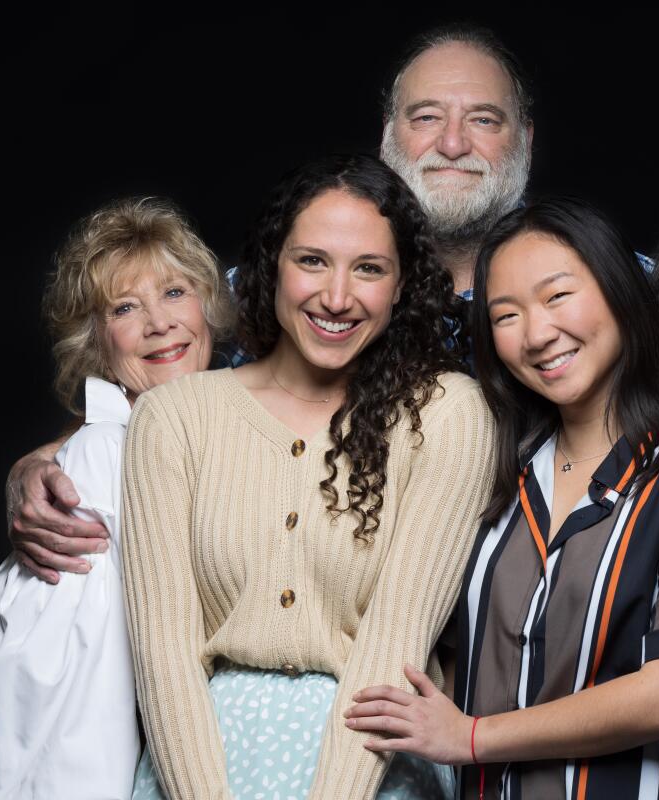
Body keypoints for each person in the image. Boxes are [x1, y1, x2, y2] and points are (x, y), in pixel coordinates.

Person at [2, 23, 659, 616]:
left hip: (554, 636)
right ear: (389, 134)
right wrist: (46, 462)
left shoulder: (625, 290)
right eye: (427, 117)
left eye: (483, 121)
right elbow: (155, 367)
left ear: (525, 141)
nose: (452, 142)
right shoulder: (296, 287)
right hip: (334, 637)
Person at [120, 154, 495, 800]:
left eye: (369, 269)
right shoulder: (173, 418)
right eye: (312, 261)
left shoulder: (445, 414)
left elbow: (395, 645)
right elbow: (163, 659)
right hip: (198, 768)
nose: (337, 297)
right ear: (272, 267)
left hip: (373, 770)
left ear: (403, 285)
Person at [345, 198, 659, 798]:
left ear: (617, 291)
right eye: (505, 316)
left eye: (558, 297)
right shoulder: (494, 471)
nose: (537, 334)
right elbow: (453, 660)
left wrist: (471, 738)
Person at [0, 197, 234, 798]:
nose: (159, 323)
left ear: (212, 309)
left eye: (176, 293)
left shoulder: (214, 435)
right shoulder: (98, 463)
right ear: (97, 344)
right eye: (125, 308)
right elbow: (73, 706)